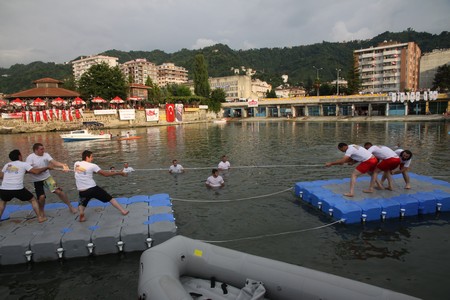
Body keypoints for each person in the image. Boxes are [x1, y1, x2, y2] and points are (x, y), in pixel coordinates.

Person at [74, 150, 129, 222]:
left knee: (82, 203)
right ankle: (123, 211)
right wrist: (119, 173)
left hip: (82, 190)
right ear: (87, 157)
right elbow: (105, 174)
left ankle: (81, 214)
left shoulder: (76, 164)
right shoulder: (92, 165)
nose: (92, 158)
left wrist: (96, 171)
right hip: (92, 189)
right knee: (110, 198)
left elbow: (85, 171)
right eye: (91, 157)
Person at [0, 149, 51, 223]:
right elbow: (36, 172)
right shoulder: (24, 164)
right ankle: (40, 218)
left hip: (4, 188)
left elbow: (1, 176)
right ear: (19, 156)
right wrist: (47, 167)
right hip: (17, 188)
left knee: (2, 202)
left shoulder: (7, 165)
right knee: (33, 200)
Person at [26, 143, 77, 215]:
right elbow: (29, 170)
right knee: (42, 197)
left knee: (59, 192)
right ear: (36, 150)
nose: (43, 150)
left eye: (43, 149)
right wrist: (44, 168)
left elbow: (54, 162)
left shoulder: (46, 155)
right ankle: (41, 211)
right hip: (37, 180)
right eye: (41, 149)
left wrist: (63, 165)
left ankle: (70, 206)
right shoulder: (30, 158)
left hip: (47, 178)